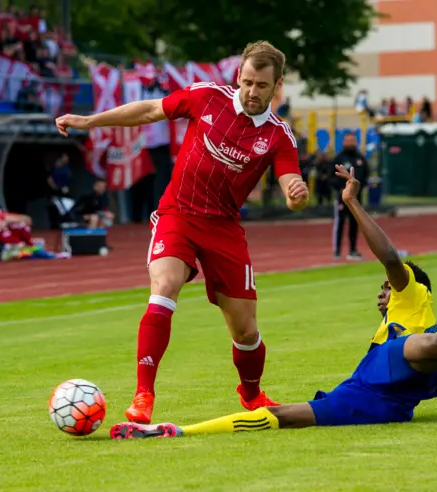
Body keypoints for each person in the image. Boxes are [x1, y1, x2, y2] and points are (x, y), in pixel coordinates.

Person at [110, 164, 437, 440]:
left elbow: (388, 255)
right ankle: (175, 431)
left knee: (434, 344)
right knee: (282, 418)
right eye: (387, 288)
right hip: (371, 392)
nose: (383, 291)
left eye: (389, 287)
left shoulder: (414, 295)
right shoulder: (403, 335)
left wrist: (351, 203)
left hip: (392, 367)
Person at [55, 41, 309, 425]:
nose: (252, 92)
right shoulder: (206, 97)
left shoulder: (278, 135)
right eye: (248, 82)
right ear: (238, 76)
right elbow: (149, 111)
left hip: (223, 228)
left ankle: (252, 394)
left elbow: (293, 185)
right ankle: (143, 394)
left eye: (262, 86)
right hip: (178, 215)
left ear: (278, 86)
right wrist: (91, 121)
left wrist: (297, 195)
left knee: (245, 330)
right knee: (165, 287)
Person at [331, 131, 369, 260]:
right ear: (343, 142)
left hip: (356, 198)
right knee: (340, 223)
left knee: (355, 223)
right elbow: (331, 177)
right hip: (342, 197)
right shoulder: (338, 158)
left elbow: (365, 176)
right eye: (348, 140)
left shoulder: (360, 158)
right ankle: (337, 251)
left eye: (352, 140)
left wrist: (358, 189)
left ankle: (352, 250)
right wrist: (341, 189)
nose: (350, 142)